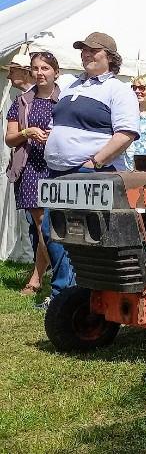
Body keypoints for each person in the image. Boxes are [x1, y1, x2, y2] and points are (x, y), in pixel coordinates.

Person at [43, 32, 139, 308]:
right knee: (54, 231)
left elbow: (126, 133)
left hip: (91, 173)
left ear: (110, 57)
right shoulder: (73, 86)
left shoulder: (117, 90)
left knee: (88, 236)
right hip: (59, 172)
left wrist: (94, 162)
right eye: (83, 50)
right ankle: (64, 294)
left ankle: (86, 296)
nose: (86, 54)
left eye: (93, 51)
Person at [5, 52, 60, 296]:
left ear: (55, 72)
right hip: (31, 167)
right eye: (36, 68)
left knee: (56, 225)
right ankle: (48, 280)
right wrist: (28, 132)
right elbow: (9, 138)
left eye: (45, 68)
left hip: (59, 166)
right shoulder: (22, 101)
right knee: (41, 224)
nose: (40, 72)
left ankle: (43, 278)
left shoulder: (67, 99)